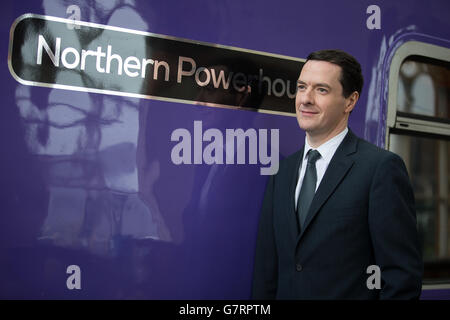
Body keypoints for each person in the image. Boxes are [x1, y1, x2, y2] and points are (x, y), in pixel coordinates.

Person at [251, 49, 423, 299]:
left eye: (321, 90)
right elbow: (267, 272)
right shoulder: (283, 171)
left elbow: (402, 278)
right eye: (301, 87)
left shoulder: (380, 169)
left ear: (350, 101)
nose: (305, 99)